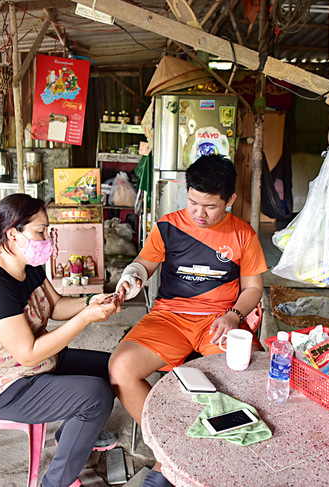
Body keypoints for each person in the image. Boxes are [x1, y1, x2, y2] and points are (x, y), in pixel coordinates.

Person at [109, 154, 268, 487]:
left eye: (210, 206)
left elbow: (253, 287)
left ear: (230, 200)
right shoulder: (168, 225)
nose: (199, 212)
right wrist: (130, 278)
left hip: (220, 320)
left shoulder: (244, 234)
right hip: (169, 317)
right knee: (120, 369)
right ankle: (169, 451)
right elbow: (143, 264)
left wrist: (233, 315)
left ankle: (205, 450)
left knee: (245, 380)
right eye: (193, 201)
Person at [0, 194, 120, 487]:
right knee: (96, 395)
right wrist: (87, 318)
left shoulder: (27, 265)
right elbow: (28, 354)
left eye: (47, 231)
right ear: (13, 233)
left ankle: (72, 435)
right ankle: (56, 482)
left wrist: (91, 301)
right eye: (40, 231)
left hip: (40, 365)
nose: (47, 239)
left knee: (116, 366)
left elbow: (57, 306)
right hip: (10, 385)